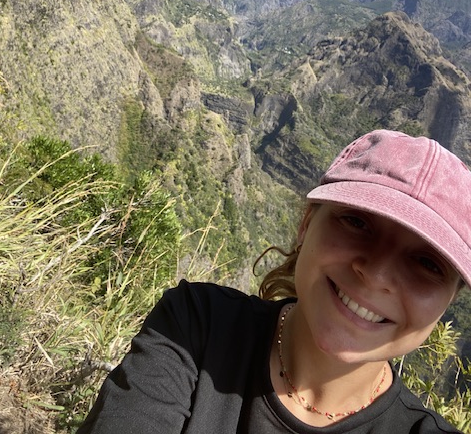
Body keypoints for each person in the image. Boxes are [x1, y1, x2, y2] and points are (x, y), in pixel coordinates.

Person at [77, 129, 471, 433]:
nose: (377, 274)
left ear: (449, 300)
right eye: (357, 222)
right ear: (306, 224)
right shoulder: (197, 328)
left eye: (427, 263)